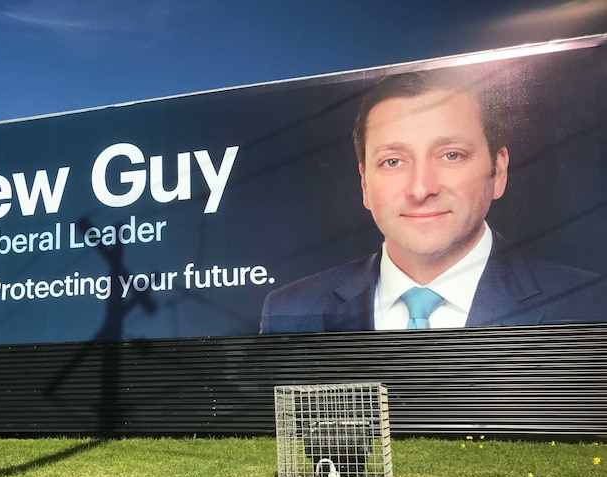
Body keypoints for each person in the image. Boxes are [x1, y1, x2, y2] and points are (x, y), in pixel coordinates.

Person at [260, 71, 607, 333]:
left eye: (451, 155)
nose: (420, 188)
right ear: (365, 184)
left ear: (498, 170)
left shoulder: (590, 301)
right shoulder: (290, 310)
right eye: (393, 161)